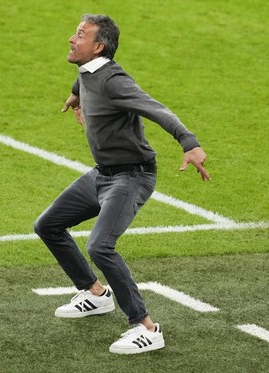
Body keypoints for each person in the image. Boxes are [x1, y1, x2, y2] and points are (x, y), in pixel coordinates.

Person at [33, 14, 210, 354]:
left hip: (132, 176)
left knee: (100, 246)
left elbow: (156, 109)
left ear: (98, 47)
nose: (72, 38)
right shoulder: (88, 71)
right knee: (48, 225)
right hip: (102, 174)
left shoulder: (114, 80)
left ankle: (146, 328)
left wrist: (189, 142)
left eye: (80, 35)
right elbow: (82, 79)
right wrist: (75, 96)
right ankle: (95, 294)